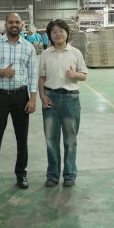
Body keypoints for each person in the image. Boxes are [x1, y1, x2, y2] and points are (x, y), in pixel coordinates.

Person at [0, 12, 37, 190]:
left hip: (21, 96)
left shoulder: (29, 47)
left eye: (17, 22)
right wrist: (1, 72)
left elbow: (33, 75)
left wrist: (33, 99)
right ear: (5, 25)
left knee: (22, 137)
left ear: (22, 25)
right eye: (11, 22)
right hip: (0, 97)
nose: (14, 24)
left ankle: (21, 174)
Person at [38, 19, 87, 187]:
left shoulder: (75, 53)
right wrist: (42, 96)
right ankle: (52, 175)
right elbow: (42, 77)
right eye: (54, 32)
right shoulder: (45, 54)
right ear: (49, 35)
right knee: (50, 139)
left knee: (70, 139)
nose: (58, 34)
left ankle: (69, 174)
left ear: (67, 33)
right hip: (51, 98)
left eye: (61, 31)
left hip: (70, 99)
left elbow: (84, 75)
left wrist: (75, 74)